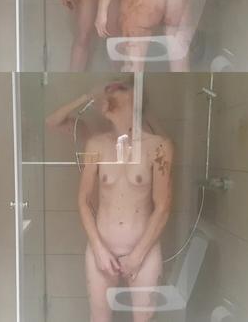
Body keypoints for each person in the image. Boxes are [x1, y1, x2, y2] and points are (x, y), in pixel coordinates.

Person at [46, 80, 173, 322]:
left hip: (144, 250)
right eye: (109, 92)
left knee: (144, 319)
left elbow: (163, 207)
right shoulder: (96, 144)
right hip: (101, 248)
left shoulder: (158, 146)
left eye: (119, 90)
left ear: (135, 99)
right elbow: (83, 200)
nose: (110, 94)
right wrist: (98, 248)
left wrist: (138, 255)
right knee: (99, 318)